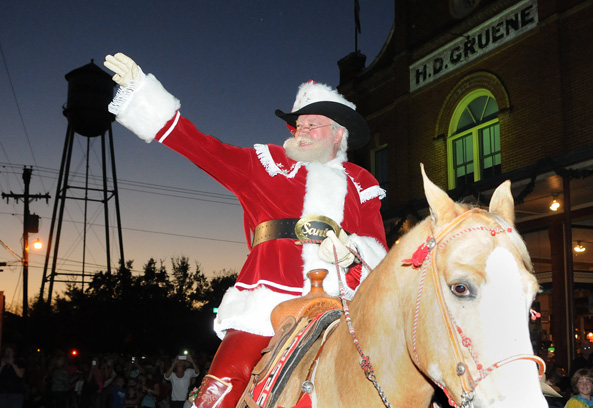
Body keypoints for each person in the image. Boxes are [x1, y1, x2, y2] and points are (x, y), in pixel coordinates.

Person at [104, 52, 388, 408]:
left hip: (344, 302)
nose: (300, 131)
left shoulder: (362, 183)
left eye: (312, 124)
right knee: (222, 385)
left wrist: (353, 251)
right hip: (264, 301)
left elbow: (380, 252)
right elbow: (203, 149)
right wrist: (142, 93)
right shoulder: (264, 164)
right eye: (298, 125)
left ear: (338, 133)